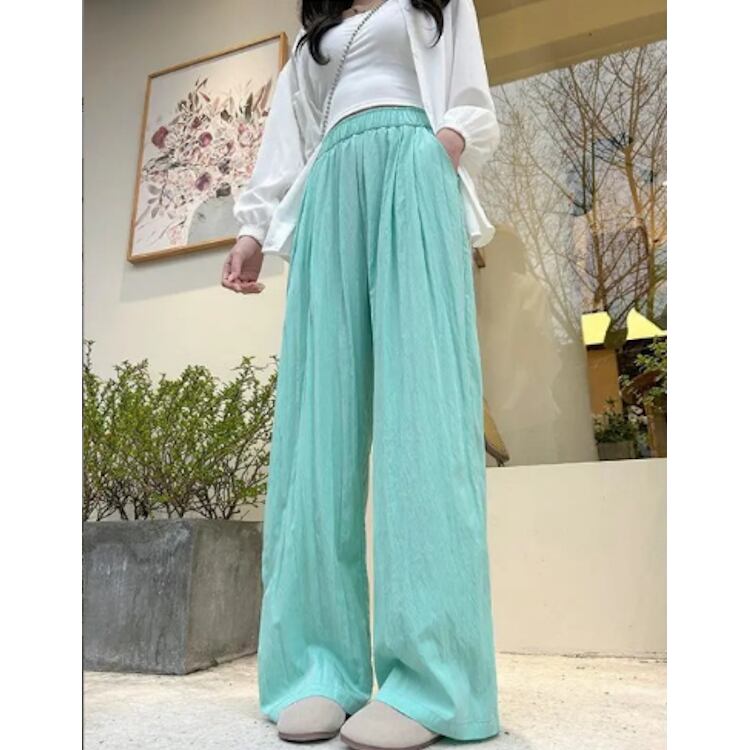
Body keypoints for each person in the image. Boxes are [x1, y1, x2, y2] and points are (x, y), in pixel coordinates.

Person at [221, 2, 501, 748]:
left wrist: (440, 148)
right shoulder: (314, 36)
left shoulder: (433, 4)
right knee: (317, 431)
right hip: (330, 189)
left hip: (415, 167)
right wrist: (252, 229)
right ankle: (315, 669)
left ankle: (432, 680)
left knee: (425, 420)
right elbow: (286, 139)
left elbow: (469, 96)